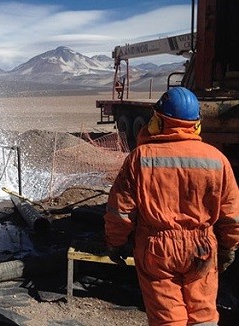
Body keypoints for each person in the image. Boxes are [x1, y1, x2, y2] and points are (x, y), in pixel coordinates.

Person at [103, 87, 239, 325]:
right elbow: (231, 215)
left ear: (159, 121)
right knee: (203, 316)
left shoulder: (140, 157)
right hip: (203, 248)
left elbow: (120, 211)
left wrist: (115, 244)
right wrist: (228, 248)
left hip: (157, 249)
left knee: (169, 319)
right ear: (196, 124)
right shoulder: (217, 160)